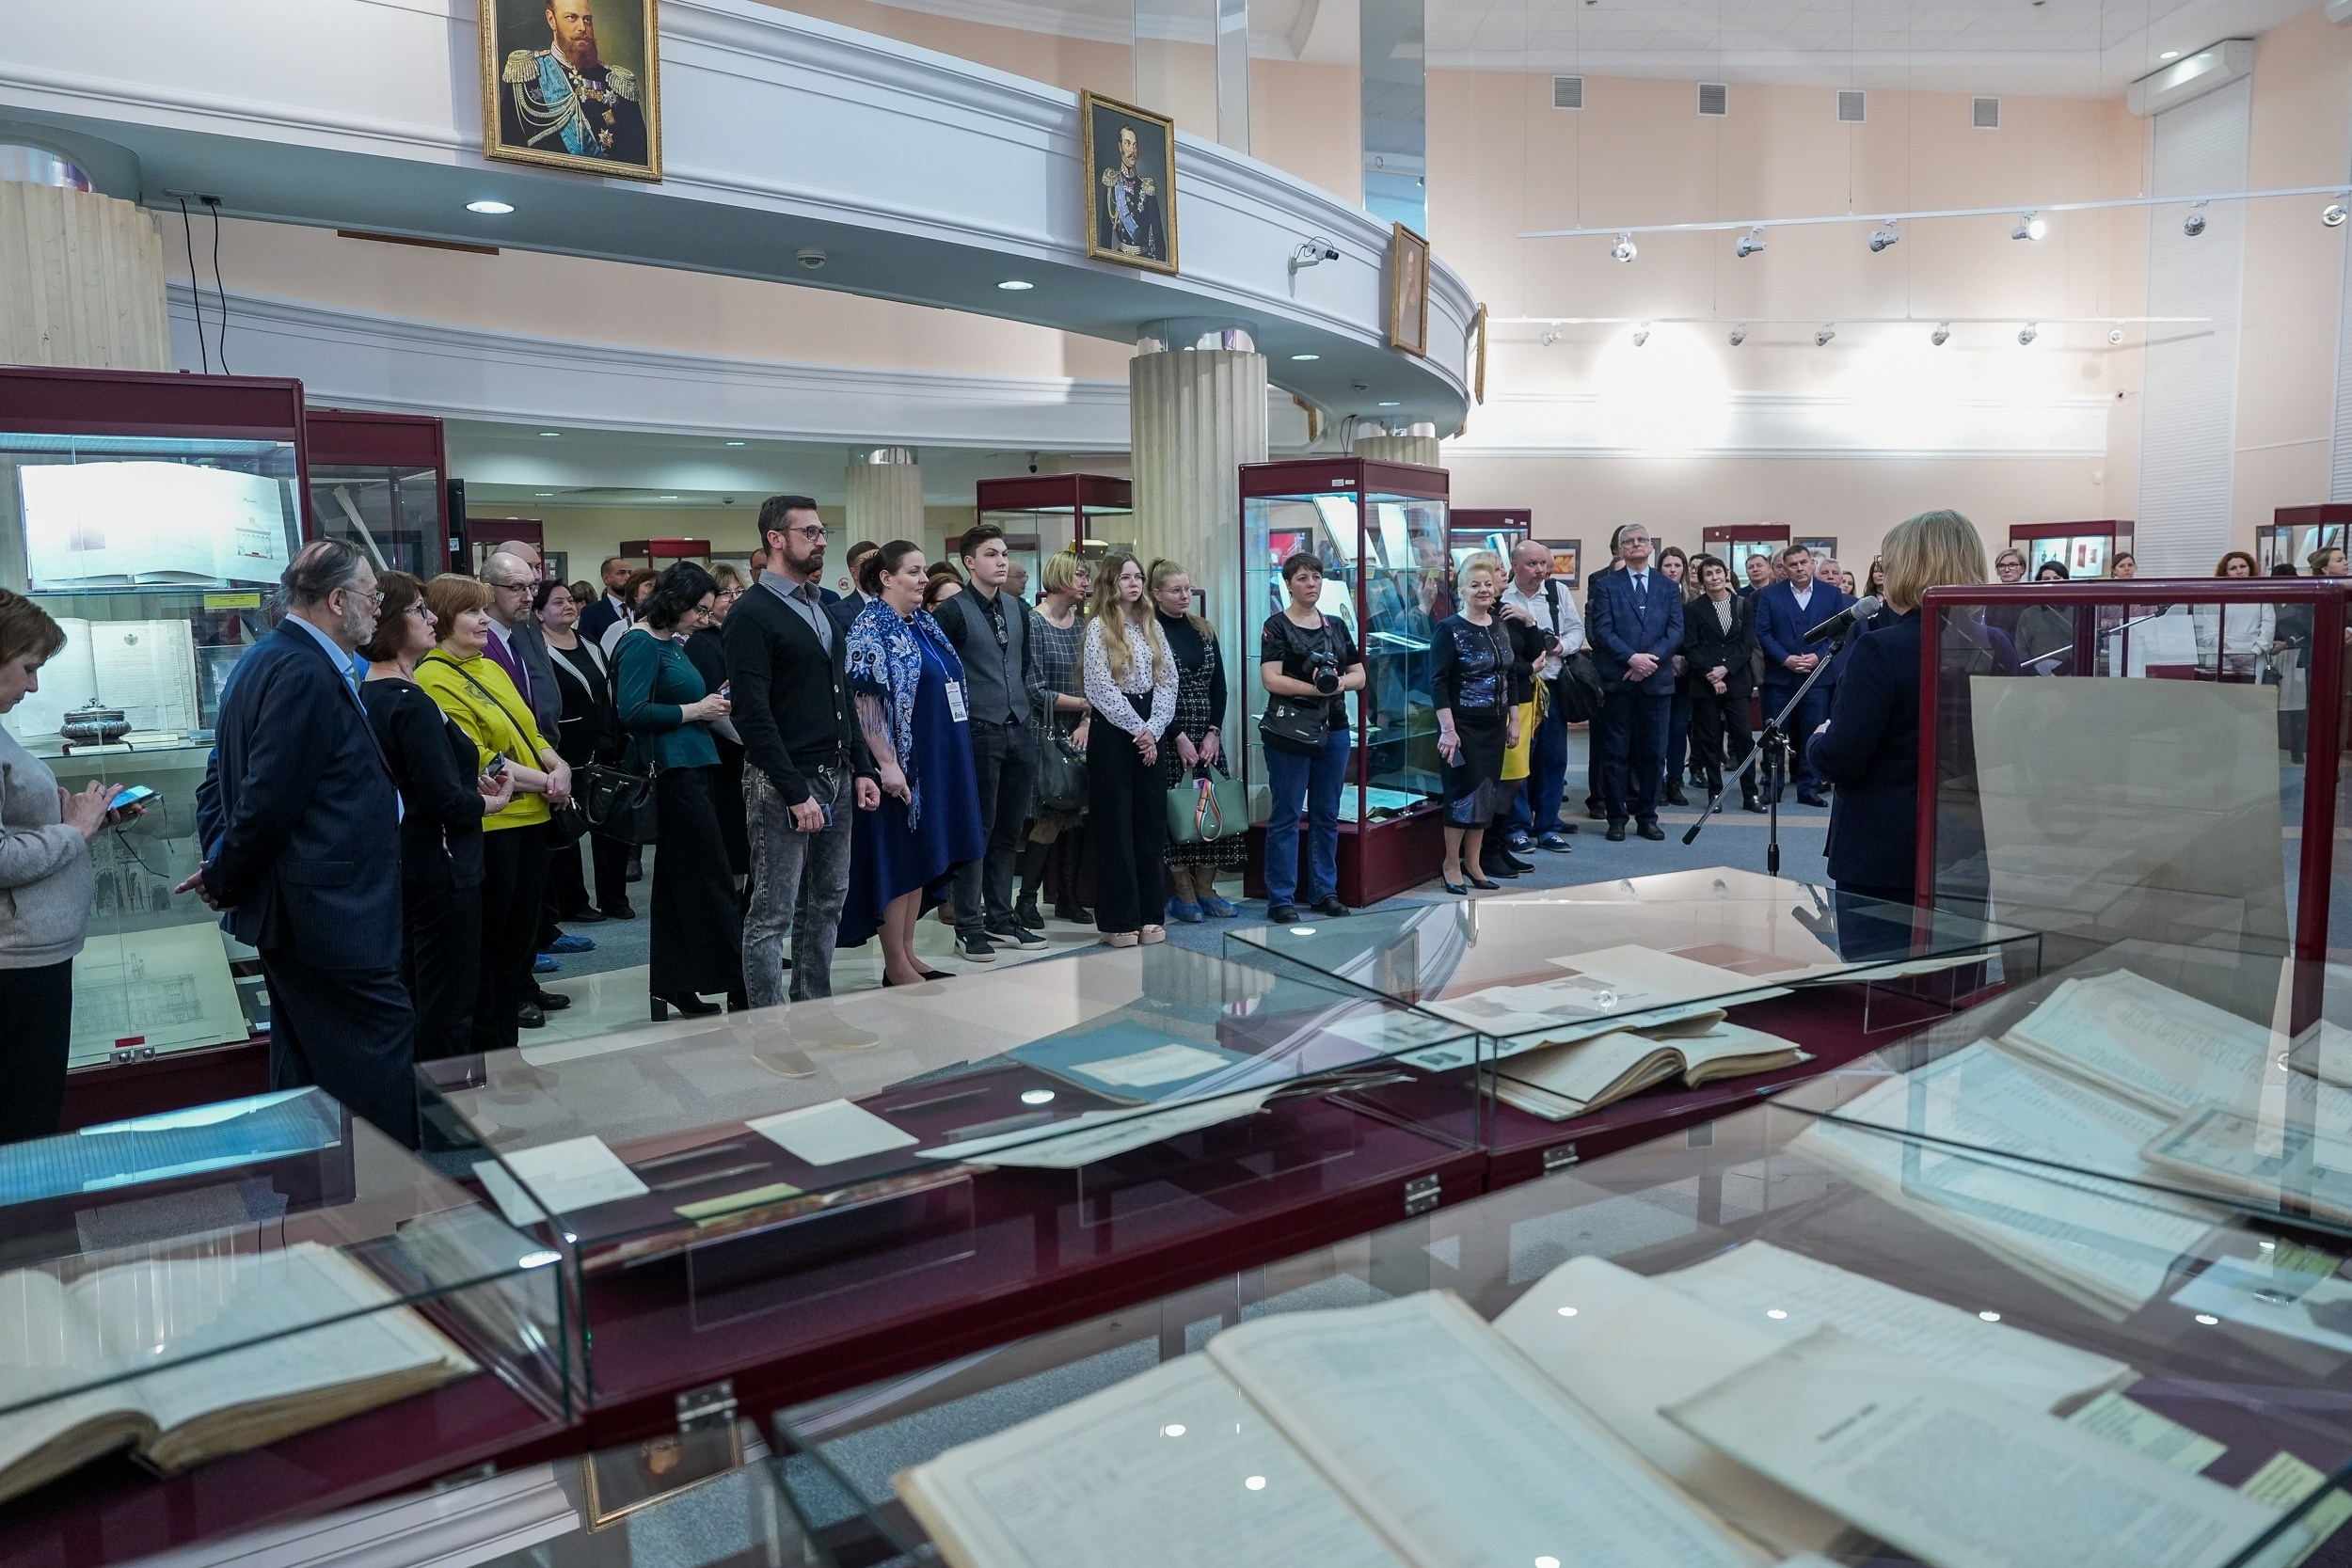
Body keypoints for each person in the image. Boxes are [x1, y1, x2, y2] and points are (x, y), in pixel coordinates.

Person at [182, 540, 416, 1144]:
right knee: (373, 1061)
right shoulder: (305, 671)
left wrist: (221, 865)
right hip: (332, 915)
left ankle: (317, 1197)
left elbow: (219, 783)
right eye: (371, 595)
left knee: (311, 1063)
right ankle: (384, 1206)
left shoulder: (264, 658)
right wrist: (226, 874)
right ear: (339, 601)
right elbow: (263, 800)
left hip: (308, 908)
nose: (377, 607)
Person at [1809, 510, 1986, 952]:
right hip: (1966, 844)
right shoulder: (1993, 644)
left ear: (1908, 567)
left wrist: (1817, 738)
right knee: (1954, 978)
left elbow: (1842, 759)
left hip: (1883, 849)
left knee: (1881, 993)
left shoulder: (1880, 647)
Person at [727, 497, 876, 1006]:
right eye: (810, 532)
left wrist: (861, 766)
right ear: (776, 539)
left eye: (822, 531)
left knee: (829, 900)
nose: (821, 540)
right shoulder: (752, 613)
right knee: (772, 911)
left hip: (833, 771)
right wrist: (793, 791)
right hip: (782, 780)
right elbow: (751, 714)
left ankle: (815, 1006)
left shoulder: (818, 606)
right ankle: (768, 1027)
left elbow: (842, 695)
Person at [0, 594, 137, 1143]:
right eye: (28, 667)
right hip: (15, 964)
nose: (33, 686)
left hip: (32, 955)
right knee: (23, 1124)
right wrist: (73, 831)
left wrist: (81, 820)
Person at [361, 573, 513, 1062]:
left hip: (413, 861)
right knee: (447, 1000)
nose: (431, 620)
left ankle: (432, 1114)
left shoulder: (378, 695)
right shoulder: (409, 702)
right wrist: (487, 802)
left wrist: (464, 788)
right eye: (419, 611)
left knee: (424, 989)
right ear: (389, 622)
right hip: (442, 864)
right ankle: (450, 1125)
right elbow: (439, 799)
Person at [415, 574, 573, 1043]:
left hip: (533, 818)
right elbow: (478, 756)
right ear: (442, 619)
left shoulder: (490, 666)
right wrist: (547, 780)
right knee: (493, 949)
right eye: (472, 612)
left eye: (485, 609)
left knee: (520, 946)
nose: (485, 619)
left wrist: (558, 763)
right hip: (494, 824)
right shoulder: (432, 676)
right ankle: (491, 1055)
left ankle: (509, 1052)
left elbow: (531, 732)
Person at [840, 542, 985, 985]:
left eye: (924, 571)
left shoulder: (923, 622)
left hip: (938, 760)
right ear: (886, 578)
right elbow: (867, 705)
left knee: (923, 855)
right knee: (898, 861)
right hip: (899, 768)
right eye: (914, 571)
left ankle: (909, 953)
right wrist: (887, 764)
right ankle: (895, 964)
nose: (924, 579)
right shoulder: (871, 628)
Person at [613, 563, 745, 1018]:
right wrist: (696, 709)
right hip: (674, 774)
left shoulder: (669, 642)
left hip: (693, 767)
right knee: (711, 882)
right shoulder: (640, 642)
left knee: (676, 887)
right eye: (700, 610)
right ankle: (735, 982)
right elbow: (632, 712)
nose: (704, 619)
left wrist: (706, 706)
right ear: (676, 602)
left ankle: (674, 984)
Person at [932, 523, 1047, 960]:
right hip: (977, 729)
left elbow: (1021, 668)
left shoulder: (1018, 609)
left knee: (1009, 830)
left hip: (1019, 727)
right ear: (969, 562)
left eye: (1003, 553)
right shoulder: (952, 611)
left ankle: (1001, 917)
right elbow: (943, 676)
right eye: (991, 554)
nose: (1001, 560)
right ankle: (969, 924)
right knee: (977, 830)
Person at [1259, 553, 1364, 923]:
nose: (1312, 584)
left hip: (1333, 729)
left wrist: (1336, 684)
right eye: (1303, 578)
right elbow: (1271, 679)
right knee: (1286, 813)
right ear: (1288, 584)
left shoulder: (1335, 625)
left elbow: (1360, 674)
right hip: (1290, 732)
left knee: (1327, 813)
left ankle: (1324, 890)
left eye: (1316, 577)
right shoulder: (1276, 626)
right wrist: (1316, 689)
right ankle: (1281, 897)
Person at [1083, 551, 1179, 944]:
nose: (1134, 583)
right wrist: (1138, 729)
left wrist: (1153, 730)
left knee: (1149, 826)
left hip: (1149, 731)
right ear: (1111, 584)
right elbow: (1099, 687)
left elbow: (1168, 681)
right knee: (1116, 826)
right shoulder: (1098, 628)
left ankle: (1150, 914)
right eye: (1125, 578)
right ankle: (1118, 919)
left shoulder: (1151, 625)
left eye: (1138, 577)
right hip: (1113, 729)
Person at [1150, 560, 1241, 920]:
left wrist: (1213, 732)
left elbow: (1219, 686)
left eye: (1187, 588)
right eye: (1176, 590)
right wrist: (1177, 736)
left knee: (1214, 807)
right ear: (1156, 594)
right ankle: (1183, 892)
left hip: (1206, 734)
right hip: (1169, 734)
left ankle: (1206, 888)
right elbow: (1151, 690)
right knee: (1179, 812)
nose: (1185, 595)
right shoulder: (1149, 632)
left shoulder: (1203, 629)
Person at [536, 578, 630, 922]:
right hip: (566, 750)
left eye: (571, 600)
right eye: (558, 602)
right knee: (569, 828)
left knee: (612, 822)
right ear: (539, 613)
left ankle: (615, 898)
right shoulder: (537, 650)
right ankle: (573, 902)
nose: (568, 605)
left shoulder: (590, 642)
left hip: (606, 746)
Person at [1584, 526, 1684, 841]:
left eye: (1641, 540)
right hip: (1619, 681)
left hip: (1656, 682)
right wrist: (1631, 659)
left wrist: (1648, 661)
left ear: (1651, 546)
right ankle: (1616, 818)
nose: (1636, 545)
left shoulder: (1668, 587)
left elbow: (1675, 631)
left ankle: (1647, 817)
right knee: (1615, 753)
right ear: (1619, 549)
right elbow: (1602, 630)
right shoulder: (1606, 586)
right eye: (1629, 541)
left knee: (1654, 754)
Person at [1433, 553, 1520, 893]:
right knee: (1461, 794)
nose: (1483, 590)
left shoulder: (1499, 625)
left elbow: (1510, 675)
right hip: (1462, 727)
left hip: (1494, 725)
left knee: (1486, 793)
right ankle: (1451, 864)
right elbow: (1438, 682)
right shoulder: (1449, 628)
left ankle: (1474, 862)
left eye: (1488, 585)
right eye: (1475, 585)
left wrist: (1514, 721)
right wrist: (1448, 730)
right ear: (1462, 591)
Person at [1017, 549, 1093, 927]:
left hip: (1082, 729)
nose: (1085, 582)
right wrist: (1085, 704)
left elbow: (1096, 679)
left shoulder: (1085, 626)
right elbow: (1034, 690)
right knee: (1049, 816)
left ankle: (1068, 897)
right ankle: (1027, 900)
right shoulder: (1035, 624)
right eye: (1079, 574)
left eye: (1086, 575)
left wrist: (1087, 719)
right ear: (1060, 577)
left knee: (1078, 817)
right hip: (1044, 732)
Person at [1753, 543, 1851, 808]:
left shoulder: (1830, 594)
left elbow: (1838, 631)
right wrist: (1785, 659)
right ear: (1784, 568)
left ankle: (1808, 787)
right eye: (1793, 564)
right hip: (1779, 678)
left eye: (1803, 563)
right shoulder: (1770, 595)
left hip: (1817, 676)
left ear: (1812, 564)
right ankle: (1771, 787)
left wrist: (1819, 656)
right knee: (1774, 734)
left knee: (1812, 731)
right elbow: (1762, 632)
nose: (1799, 568)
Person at [1499, 539, 1581, 854]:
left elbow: (1577, 631)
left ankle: (1548, 825)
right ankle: (1517, 826)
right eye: (1533, 564)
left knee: (1553, 758)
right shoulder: (1502, 595)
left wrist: (1561, 647)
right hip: (1518, 690)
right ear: (1515, 564)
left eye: (1544, 564)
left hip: (1552, 688)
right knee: (1519, 760)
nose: (1540, 570)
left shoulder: (1557, 593)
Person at [496, 0, 650, 166]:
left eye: (587, 20)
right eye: (572, 18)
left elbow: (638, 159)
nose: (582, 28)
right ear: (551, 20)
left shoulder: (617, 83)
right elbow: (508, 149)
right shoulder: (527, 75)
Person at [683, 562, 752, 895]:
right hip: (727, 758)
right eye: (726, 593)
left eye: (740, 591)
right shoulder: (703, 643)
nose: (734, 599)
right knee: (734, 849)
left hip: (750, 754)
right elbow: (715, 709)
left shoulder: (742, 634)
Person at [1681, 555, 1759, 812]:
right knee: (1710, 739)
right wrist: (1711, 674)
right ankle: (1715, 792)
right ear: (1701, 580)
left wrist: (1725, 669)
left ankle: (1751, 793)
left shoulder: (1743, 604)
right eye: (1708, 574)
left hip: (1736, 680)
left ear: (1726, 574)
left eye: (1718, 572)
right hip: (1704, 683)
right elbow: (1690, 646)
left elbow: (1747, 643)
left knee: (1744, 738)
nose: (1714, 578)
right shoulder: (1693, 608)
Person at [2197, 550, 2279, 680]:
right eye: (2233, 568)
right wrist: (2233, 654)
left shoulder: (2262, 595)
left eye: (2243, 566)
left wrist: (2254, 652)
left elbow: (2268, 626)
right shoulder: (2215, 597)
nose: (2239, 571)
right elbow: (2209, 634)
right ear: (2225, 573)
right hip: (2222, 656)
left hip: (2254, 656)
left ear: (2250, 569)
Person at [1099, 122, 1168, 262]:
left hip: (1144, 258)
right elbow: (1105, 236)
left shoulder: (1146, 187)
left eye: (1135, 145)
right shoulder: (1112, 184)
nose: (1132, 150)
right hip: (1120, 258)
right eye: (1127, 144)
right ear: (1120, 147)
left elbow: (1158, 235)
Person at [1658, 546, 1693, 806]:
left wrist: (1685, 658)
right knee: (1658, 730)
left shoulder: (1692, 598)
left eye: (1677, 565)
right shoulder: (1653, 595)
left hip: (1686, 674)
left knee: (1679, 730)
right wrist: (1667, 657)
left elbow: (1697, 636)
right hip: (1658, 669)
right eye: (1668, 565)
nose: (1672, 570)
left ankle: (1675, 780)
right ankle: (1656, 781)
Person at [2015, 560, 2074, 674]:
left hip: (2068, 675)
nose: (2051, 583)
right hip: (2035, 676)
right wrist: (2033, 674)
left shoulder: (2076, 612)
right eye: (2046, 579)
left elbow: (2080, 648)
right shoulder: (2028, 614)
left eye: (2057, 578)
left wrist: (2060, 672)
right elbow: (2021, 649)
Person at [600, 569, 659, 658]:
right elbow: (605, 664)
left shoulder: (670, 629)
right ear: (634, 594)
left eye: (658, 586)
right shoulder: (619, 629)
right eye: (649, 585)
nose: (654, 590)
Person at [580, 555, 633, 644]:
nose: (628, 577)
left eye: (630, 573)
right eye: (621, 573)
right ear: (606, 579)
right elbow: (586, 646)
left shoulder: (638, 608)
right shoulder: (591, 612)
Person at [832, 540, 882, 626]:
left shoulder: (898, 603)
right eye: (866, 564)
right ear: (854, 573)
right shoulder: (836, 611)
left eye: (877, 563)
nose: (874, 568)